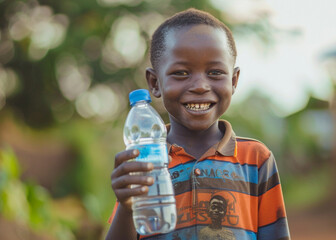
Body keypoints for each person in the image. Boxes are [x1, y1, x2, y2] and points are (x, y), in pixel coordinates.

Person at [106, 8, 290, 240]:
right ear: (155, 83)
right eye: (181, 73)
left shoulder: (256, 159)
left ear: (234, 81)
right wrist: (126, 205)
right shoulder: (145, 160)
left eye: (215, 72)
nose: (200, 85)